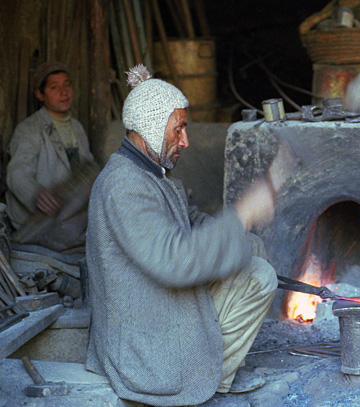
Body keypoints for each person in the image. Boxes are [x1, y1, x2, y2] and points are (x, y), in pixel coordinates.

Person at [85, 65, 282, 407]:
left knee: (256, 260)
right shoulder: (124, 186)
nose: (185, 141)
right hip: (142, 342)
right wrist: (243, 214)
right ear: (150, 127)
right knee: (260, 277)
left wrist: (243, 233)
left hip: (155, 309)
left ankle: (212, 374)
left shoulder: (152, 176)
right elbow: (175, 262)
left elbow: (188, 221)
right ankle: (209, 378)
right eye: (179, 130)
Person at [6, 61, 96, 252]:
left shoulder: (77, 128)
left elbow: (86, 164)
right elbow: (16, 173)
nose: (64, 92)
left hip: (69, 210)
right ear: (40, 94)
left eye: (67, 85)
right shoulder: (29, 129)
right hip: (39, 217)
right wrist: (35, 193)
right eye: (54, 87)